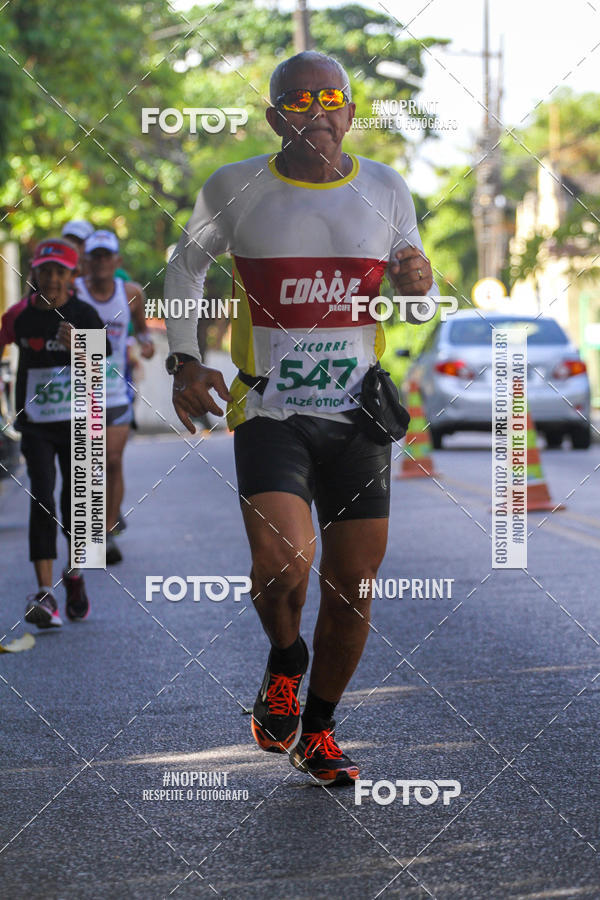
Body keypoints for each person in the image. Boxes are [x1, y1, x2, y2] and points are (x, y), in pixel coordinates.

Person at [163, 51, 434, 785]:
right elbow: (184, 265)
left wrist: (422, 285)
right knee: (283, 563)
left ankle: (318, 728)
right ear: (274, 116)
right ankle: (285, 660)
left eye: (333, 97)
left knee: (354, 583)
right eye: (300, 100)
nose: (319, 110)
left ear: (352, 110)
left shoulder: (386, 187)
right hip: (272, 408)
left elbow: (413, 300)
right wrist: (184, 360)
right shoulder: (235, 187)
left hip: (358, 414)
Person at [0, 238, 110, 627]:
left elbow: (100, 371)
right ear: (34, 273)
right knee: (42, 495)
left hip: (78, 421)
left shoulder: (84, 313)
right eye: (44, 271)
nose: (51, 278)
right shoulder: (17, 316)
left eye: (59, 271)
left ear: (72, 276)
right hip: (36, 424)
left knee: (76, 502)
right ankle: (45, 594)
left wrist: (80, 347)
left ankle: (75, 573)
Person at [74, 230, 154, 563]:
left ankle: (105, 532)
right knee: (87, 465)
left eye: (107, 256)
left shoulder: (132, 293)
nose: (102, 262)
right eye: (95, 256)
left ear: (117, 261)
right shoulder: (71, 291)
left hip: (117, 389)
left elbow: (142, 327)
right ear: (85, 261)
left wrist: (147, 343)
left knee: (112, 460)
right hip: (77, 391)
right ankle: (88, 530)